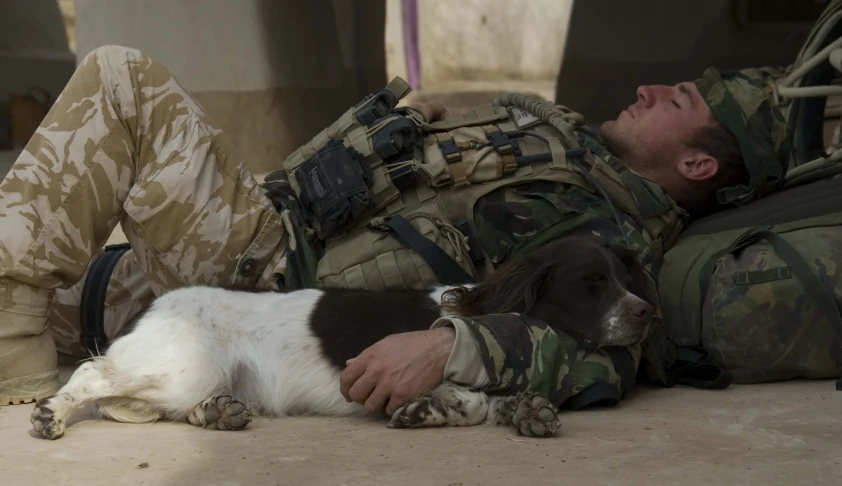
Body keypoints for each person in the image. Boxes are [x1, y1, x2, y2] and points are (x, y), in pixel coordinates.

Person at [0, 45, 788, 411]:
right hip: (247, 245)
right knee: (36, 257)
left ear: (697, 168)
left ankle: (15, 337)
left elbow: (599, 355)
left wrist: (452, 343)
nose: (648, 86)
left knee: (121, 79)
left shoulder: (602, 230)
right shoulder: (573, 155)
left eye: (675, 101)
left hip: (264, 277)